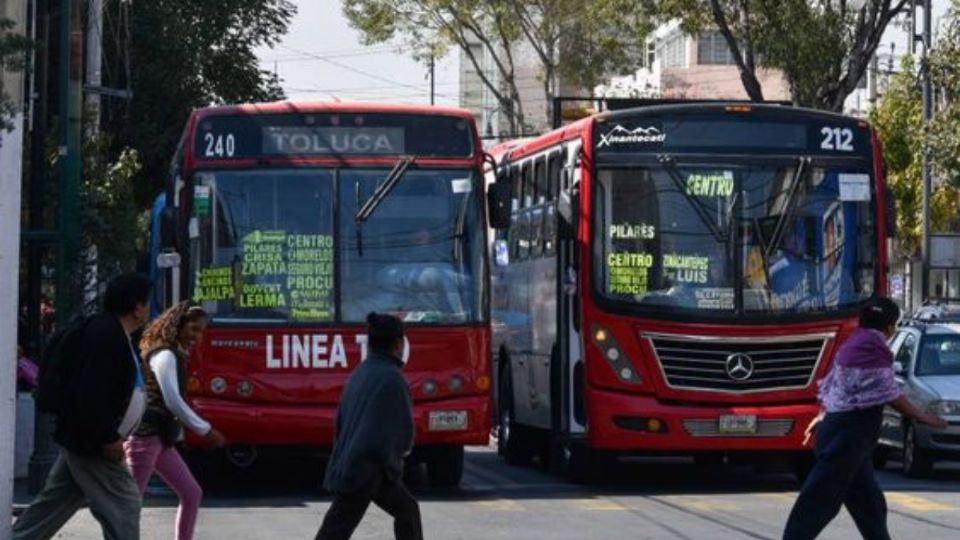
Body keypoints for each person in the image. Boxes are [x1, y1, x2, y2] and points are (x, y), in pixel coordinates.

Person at [782, 297, 949, 540]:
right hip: (847, 437)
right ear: (891, 327)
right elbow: (888, 393)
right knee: (818, 502)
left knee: (869, 504)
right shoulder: (874, 348)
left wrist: (823, 416)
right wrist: (924, 417)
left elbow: (837, 387)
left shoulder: (855, 343)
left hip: (844, 435)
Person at [13, 273, 152, 540]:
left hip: (84, 438)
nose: (148, 309)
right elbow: (91, 393)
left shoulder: (114, 333)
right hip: (94, 442)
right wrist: (109, 437)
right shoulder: (106, 337)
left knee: (52, 505)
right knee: (124, 504)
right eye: (146, 303)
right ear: (136, 307)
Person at [124, 301, 227, 540]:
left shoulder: (174, 354)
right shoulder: (164, 355)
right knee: (129, 505)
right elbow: (173, 401)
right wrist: (205, 430)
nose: (197, 336)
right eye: (193, 329)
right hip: (145, 438)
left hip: (160, 439)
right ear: (177, 325)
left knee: (192, 493)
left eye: (201, 331)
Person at [315, 312, 422, 540]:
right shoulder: (392, 377)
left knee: (407, 511)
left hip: (358, 464)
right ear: (398, 343)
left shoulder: (361, 372)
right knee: (335, 530)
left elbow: (342, 422)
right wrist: (397, 459)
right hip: (366, 469)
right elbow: (403, 433)